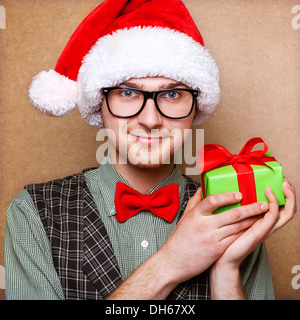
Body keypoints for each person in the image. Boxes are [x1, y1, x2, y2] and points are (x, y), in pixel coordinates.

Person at [4, 0, 296, 300]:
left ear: (196, 107)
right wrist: (170, 262)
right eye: (128, 92)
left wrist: (226, 268)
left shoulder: (232, 215)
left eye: (172, 94)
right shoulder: (33, 213)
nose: (150, 119)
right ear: (98, 103)